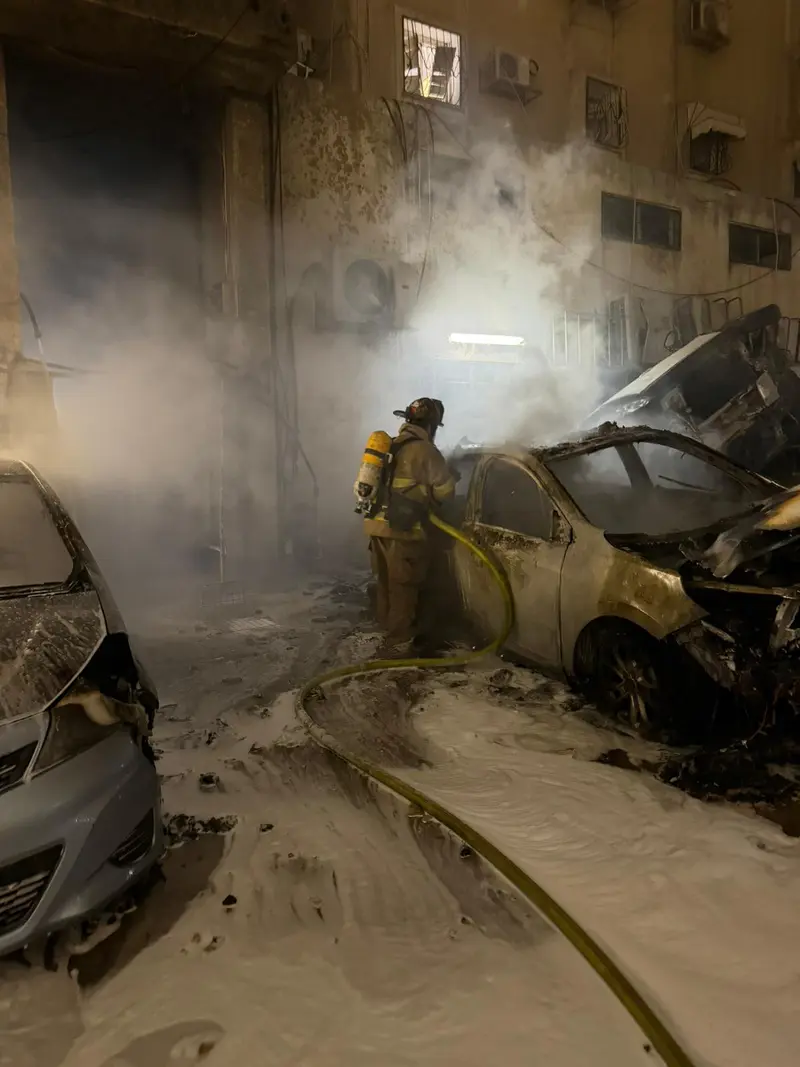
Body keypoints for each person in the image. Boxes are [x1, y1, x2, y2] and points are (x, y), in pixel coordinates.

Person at [364, 397, 456, 655]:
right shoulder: (426, 451)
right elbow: (446, 493)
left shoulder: (393, 445)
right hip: (403, 532)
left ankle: (387, 633)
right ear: (431, 425)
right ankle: (398, 646)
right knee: (404, 588)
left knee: (387, 584)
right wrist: (446, 481)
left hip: (376, 529)